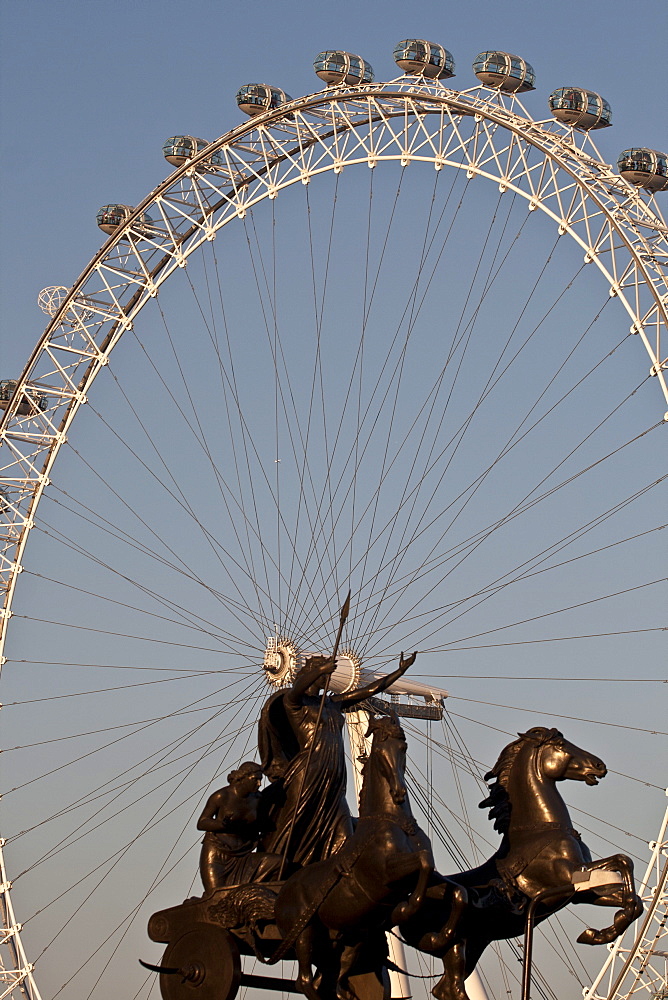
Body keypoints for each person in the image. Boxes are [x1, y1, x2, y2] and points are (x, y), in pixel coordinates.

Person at [258, 650, 417, 868]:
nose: (329, 678)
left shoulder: (332, 703)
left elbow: (368, 690)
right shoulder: (295, 703)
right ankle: (279, 866)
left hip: (334, 776)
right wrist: (319, 669)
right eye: (325, 675)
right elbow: (297, 689)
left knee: (343, 833)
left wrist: (399, 671)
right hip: (308, 774)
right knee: (296, 823)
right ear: (314, 674)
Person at [197, 761, 283, 893]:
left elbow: (263, 823)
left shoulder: (258, 799)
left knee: (277, 863)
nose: (259, 784)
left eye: (260, 780)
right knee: (217, 895)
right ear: (243, 778)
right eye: (255, 780)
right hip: (219, 854)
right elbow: (202, 823)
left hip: (244, 854)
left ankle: (252, 894)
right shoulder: (222, 796)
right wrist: (223, 825)